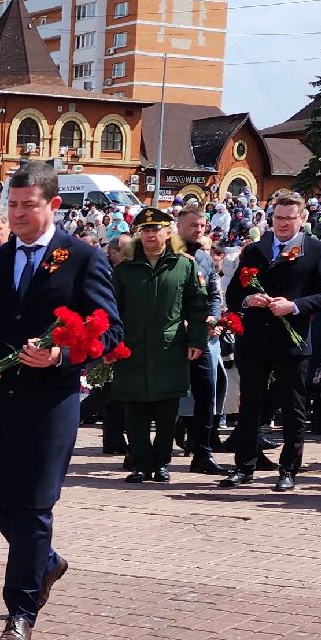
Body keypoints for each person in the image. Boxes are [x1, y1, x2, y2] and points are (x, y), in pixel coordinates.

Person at [0, 161, 117, 640]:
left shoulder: (83, 258)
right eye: (13, 205)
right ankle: (45, 563)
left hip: (51, 402)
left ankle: (20, 611)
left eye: (29, 205)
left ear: (53, 205)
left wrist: (61, 355)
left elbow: (110, 332)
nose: (20, 214)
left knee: (32, 505)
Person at [220, 191, 321, 491]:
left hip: (292, 340)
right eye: (278, 218)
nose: (283, 224)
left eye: (290, 218)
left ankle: (288, 469)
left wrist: (294, 306)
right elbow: (233, 294)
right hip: (256, 340)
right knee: (250, 406)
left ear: (302, 218)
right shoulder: (255, 249)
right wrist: (249, 300)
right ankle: (244, 466)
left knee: (293, 406)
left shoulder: (316, 251)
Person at [109, 207, 208, 483]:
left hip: (170, 349)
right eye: (145, 230)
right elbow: (112, 311)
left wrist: (197, 339)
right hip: (133, 350)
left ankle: (162, 462)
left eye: (156, 229)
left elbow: (197, 307)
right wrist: (111, 345)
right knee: (135, 412)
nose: (151, 235)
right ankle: (140, 463)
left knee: (168, 412)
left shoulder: (183, 266)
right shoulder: (125, 270)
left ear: (168, 232)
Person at [174, 204, 230, 474]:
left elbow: (214, 295)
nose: (198, 230)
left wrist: (213, 318)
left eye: (202, 225)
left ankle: (202, 452)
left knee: (207, 391)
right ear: (179, 225)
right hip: (172, 335)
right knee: (165, 394)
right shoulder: (169, 253)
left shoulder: (205, 258)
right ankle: (151, 451)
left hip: (202, 337)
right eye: (193, 225)